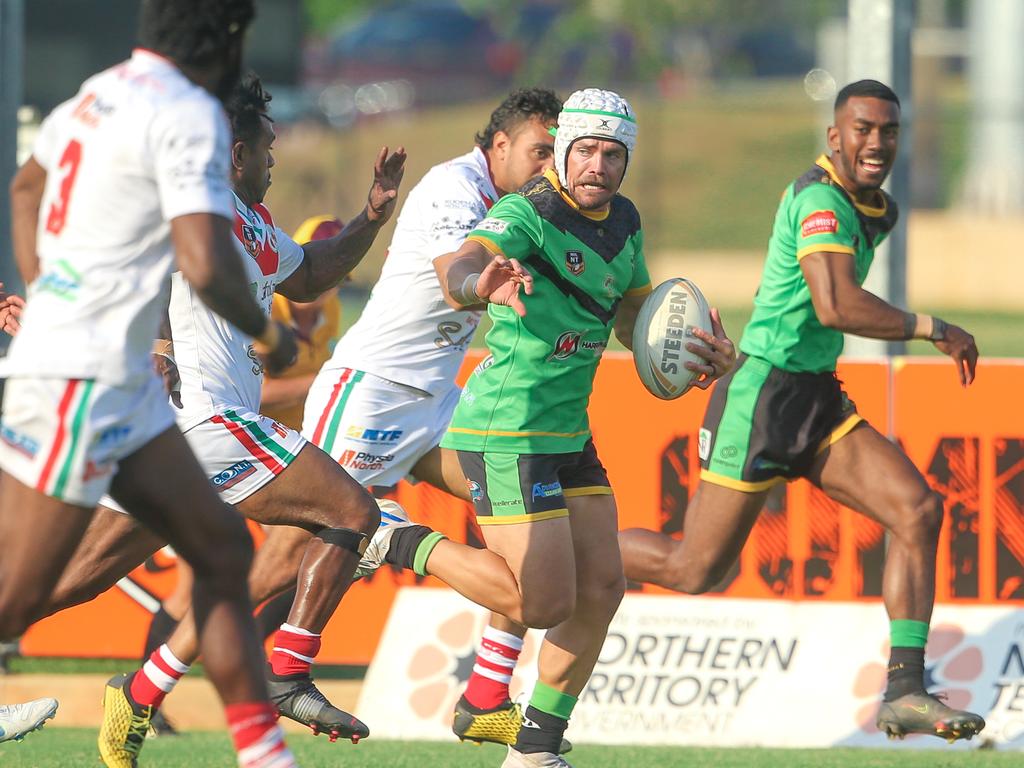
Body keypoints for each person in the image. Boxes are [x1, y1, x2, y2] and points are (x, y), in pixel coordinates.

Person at [617, 79, 986, 743]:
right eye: (863, 130)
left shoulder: (876, 207)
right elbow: (835, 306)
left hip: (813, 397)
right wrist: (934, 327)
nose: (877, 143)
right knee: (694, 570)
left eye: (889, 131)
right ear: (835, 137)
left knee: (917, 508)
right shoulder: (819, 198)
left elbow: (785, 288)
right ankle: (561, 556)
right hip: (763, 400)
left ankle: (904, 688)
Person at [0, 2, 302, 767]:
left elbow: (26, 190)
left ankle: (265, 755)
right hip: (79, 374)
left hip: (121, 378)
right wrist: (271, 333)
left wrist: (46, 291)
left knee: (222, 547)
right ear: (223, 41)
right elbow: (203, 262)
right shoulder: (187, 112)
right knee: (19, 595)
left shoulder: (94, 94)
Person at [89, 73, 405, 764]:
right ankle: (286, 671)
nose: (274, 161)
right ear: (234, 154)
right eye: (266, 150)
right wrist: (158, 342)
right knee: (352, 510)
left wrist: (372, 217)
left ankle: (138, 695)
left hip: (175, 439)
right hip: (204, 419)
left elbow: (312, 272)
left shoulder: (251, 223)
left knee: (66, 580)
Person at [432, 88, 734, 768]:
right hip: (506, 432)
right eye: (587, 150)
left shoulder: (624, 221)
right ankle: (392, 541)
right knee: (541, 603)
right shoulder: (527, 212)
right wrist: (480, 282)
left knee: (601, 588)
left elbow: (632, 318)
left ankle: (536, 750)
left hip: (568, 436)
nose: (599, 165)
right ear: (564, 150)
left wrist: (688, 355)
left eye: (614, 153)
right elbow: (462, 263)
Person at [298, 88, 569, 749]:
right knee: (281, 565)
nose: (547, 168)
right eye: (540, 152)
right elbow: (458, 277)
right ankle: (143, 691)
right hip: (373, 394)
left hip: (441, 404)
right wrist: (488, 284)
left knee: (528, 538)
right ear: (498, 146)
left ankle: (484, 696)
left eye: (555, 156)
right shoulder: (454, 187)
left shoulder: (527, 210)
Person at [138, 214, 344, 739]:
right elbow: (259, 387)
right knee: (193, 583)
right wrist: (316, 383)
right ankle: (148, 695)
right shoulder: (264, 295)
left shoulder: (330, 310)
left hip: (268, 451)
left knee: (295, 556)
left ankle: (237, 662)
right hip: (224, 436)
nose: (327, 288)